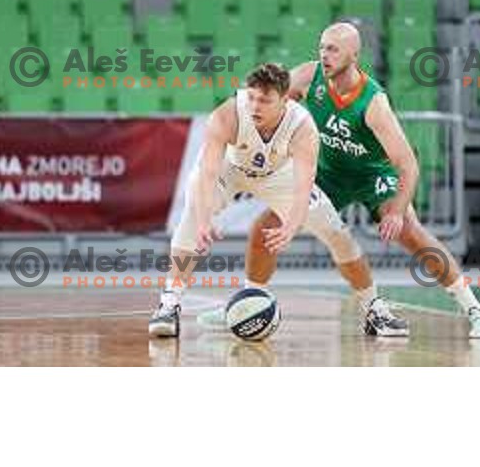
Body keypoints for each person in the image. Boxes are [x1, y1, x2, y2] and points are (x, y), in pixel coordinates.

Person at [227, 22, 480, 339]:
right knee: (264, 228)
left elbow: (408, 164)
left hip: (372, 175)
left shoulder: (373, 103)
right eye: (322, 47)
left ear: (354, 55)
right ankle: (250, 302)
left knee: (412, 234)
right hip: (327, 174)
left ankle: (474, 309)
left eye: (333, 49)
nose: (324, 55)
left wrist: (396, 211)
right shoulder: (308, 75)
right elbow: (268, 98)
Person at [149, 62, 405, 337]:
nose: (255, 106)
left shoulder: (302, 127)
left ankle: (375, 309)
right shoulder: (227, 115)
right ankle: (169, 304)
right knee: (191, 218)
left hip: (278, 176)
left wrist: (291, 226)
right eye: (252, 98)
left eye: (265, 100)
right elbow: (207, 173)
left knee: (337, 234)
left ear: (285, 100)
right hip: (229, 170)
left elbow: (303, 186)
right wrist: (202, 221)